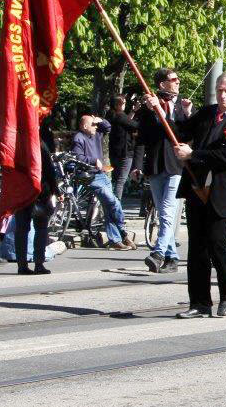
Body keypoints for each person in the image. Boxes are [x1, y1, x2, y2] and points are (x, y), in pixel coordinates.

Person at [160, 72, 226, 319]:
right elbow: (178, 131)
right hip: (196, 189)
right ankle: (200, 303)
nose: (223, 95)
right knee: (197, 249)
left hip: (221, 192)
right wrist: (161, 109)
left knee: (217, 244)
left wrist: (193, 155)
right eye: (220, 90)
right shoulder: (206, 113)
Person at [138, 68, 191, 274]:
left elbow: (183, 133)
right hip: (155, 165)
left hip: (175, 165)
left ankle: (158, 253)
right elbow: (143, 137)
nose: (178, 82)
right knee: (162, 212)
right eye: (173, 79)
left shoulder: (182, 106)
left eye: (178, 79)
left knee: (168, 211)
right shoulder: (149, 106)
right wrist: (152, 111)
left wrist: (186, 113)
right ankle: (172, 257)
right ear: (162, 84)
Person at [72, 112, 133, 250]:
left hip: (102, 174)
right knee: (112, 201)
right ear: (84, 126)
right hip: (90, 176)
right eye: (93, 124)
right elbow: (77, 157)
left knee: (108, 206)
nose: (95, 126)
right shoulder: (79, 138)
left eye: (95, 125)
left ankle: (115, 240)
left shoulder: (96, 134)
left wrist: (99, 120)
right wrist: (94, 161)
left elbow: (108, 127)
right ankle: (122, 230)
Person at [14, 140, 57, 275]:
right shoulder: (39, 143)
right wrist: (55, 189)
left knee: (21, 228)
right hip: (40, 190)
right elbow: (49, 169)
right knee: (41, 228)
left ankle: (22, 265)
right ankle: (39, 263)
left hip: (21, 189)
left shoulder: (16, 141)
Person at [106, 95, 139, 202]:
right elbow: (134, 125)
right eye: (123, 103)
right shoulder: (120, 116)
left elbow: (126, 121)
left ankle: (111, 203)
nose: (125, 105)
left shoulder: (111, 115)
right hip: (124, 152)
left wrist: (133, 111)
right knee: (121, 180)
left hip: (114, 151)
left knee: (115, 179)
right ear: (117, 105)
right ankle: (116, 205)